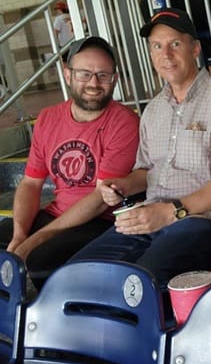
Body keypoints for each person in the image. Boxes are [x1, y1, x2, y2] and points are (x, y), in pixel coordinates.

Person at [70, 8, 211, 289]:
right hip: (148, 215)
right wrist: (123, 184)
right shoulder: (153, 109)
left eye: (175, 44)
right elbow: (146, 170)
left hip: (202, 219)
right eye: (156, 46)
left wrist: (172, 211)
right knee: (79, 274)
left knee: (139, 284)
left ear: (195, 48)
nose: (166, 54)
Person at [0, 36, 139, 289]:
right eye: (85, 74)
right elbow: (31, 183)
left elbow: (99, 199)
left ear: (115, 80)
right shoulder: (48, 118)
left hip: (99, 221)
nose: (94, 84)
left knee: (39, 260)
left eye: (103, 75)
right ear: (67, 74)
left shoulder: (124, 122)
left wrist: (37, 238)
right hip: (56, 214)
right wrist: (21, 233)